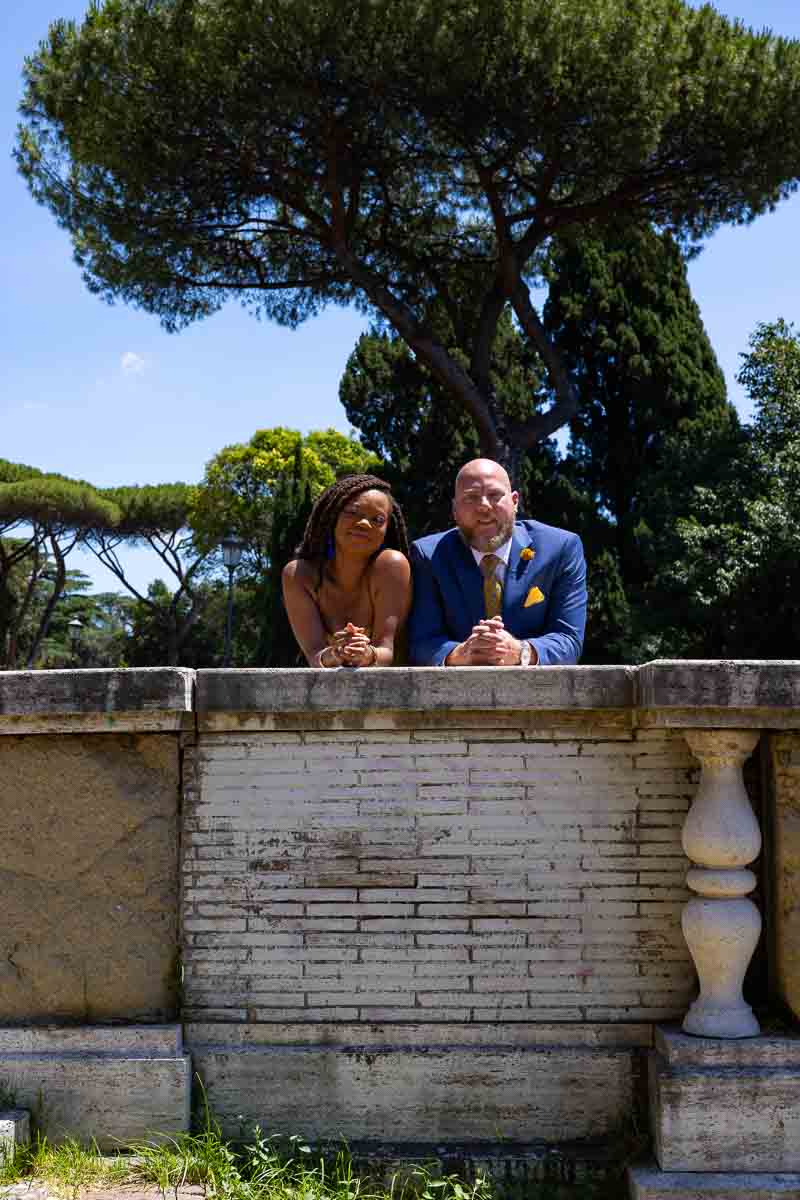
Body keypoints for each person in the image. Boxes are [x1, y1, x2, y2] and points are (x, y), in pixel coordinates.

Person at [408, 458, 586, 666]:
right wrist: (460, 653)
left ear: (515, 501)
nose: (484, 506)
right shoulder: (428, 556)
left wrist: (521, 651)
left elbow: (569, 639)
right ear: (454, 510)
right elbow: (421, 642)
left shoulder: (560, 549)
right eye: (471, 497)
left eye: (494, 495)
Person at [283, 474, 412, 668]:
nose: (363, 523)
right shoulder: (299, 575)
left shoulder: (391, 567)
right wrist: (336, 653)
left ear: (387, 528)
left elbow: (387, 650)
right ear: (332, 517)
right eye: (352, 512)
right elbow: (313, 655)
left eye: (377, 519)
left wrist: (366, 653)